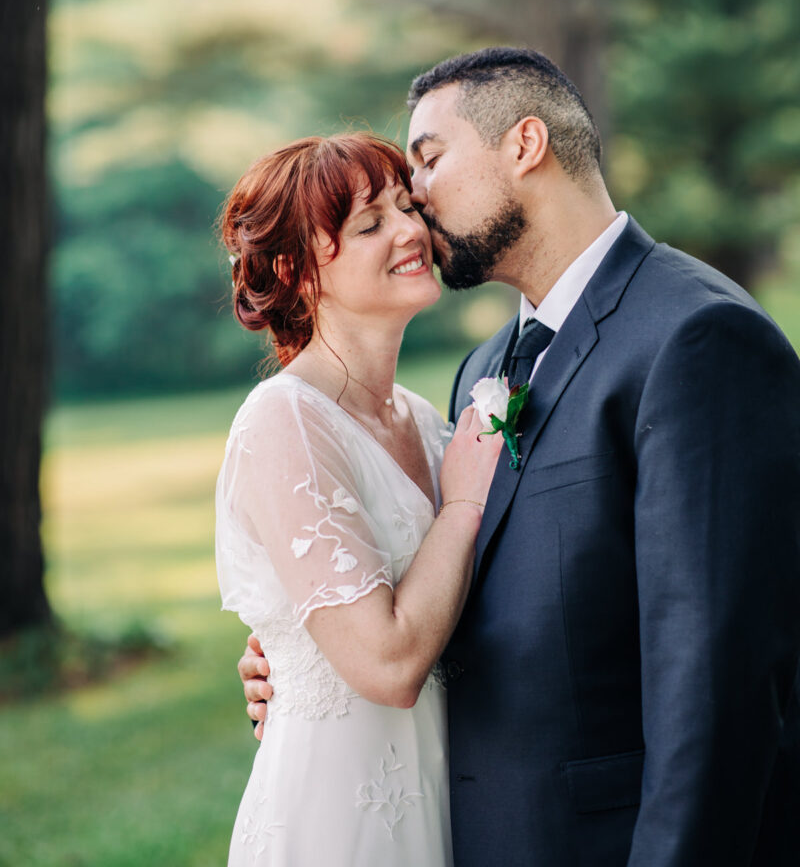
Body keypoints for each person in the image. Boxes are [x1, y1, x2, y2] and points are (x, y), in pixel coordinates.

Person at [241, 48, 800, 866]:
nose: (416, 199)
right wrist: (300, 648)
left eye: (428, 160)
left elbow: (719, 682)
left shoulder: (697, 338)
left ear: (525, 145)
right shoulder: (486, 367)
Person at [215, 131, 501, 867]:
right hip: (335, 818)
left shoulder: (429, 423)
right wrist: (462, 506)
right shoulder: (284, 422)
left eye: (407, 206)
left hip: (440, 798)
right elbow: (385, 666)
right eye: (370, 224)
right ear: (295, 271)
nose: (411, 230)